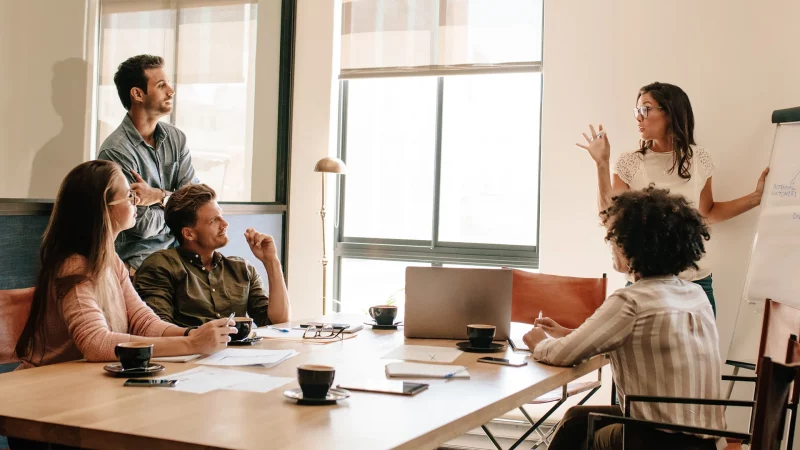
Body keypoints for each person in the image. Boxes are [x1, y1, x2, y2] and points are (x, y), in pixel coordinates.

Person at [523, 187, 724, 450]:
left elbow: (564, 356)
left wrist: (538, 342)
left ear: (633, 247)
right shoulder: (694, 294)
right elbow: (645, 344)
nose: (611, 244)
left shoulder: (632, 300)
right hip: (704, 439)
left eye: (615, 238)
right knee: (575, 419)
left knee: (579, 435)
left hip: (657, 441)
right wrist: (566, 332)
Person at [14, 160, 234, 371]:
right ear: (104, 209)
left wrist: (192, 334)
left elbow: (144, 323)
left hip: (82, 381)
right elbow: (96, 343)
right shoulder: (74, 267)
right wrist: (192, 344)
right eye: (129, 195)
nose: (136, 201)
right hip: (46, 385)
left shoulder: (110, 260)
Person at [576, 81, 769, 315]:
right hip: (646, 283)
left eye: (645, 109)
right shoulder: (630, 163)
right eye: (636, 110)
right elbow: (611, 220)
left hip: (695, 283)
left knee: (701, 352)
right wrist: (602, 164)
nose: (638, 117)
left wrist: (756, 198)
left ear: (670, 112)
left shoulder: (700, 159)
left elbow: (706, 213)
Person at [134, 184, 291, 329]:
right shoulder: (160, 266)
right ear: (189, 233)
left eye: (221, 215)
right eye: (213, 220)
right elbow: (157, 329)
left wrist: (271, 262)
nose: (225, 223)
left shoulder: (241, 269)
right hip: (187, 356)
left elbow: (278, 323)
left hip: (238, 357)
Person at [97, 54, 198, 273]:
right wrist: (179, 210)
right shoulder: (116, 151)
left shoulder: (176, 138)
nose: (171, 91)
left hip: (181, 257)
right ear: (137, 94)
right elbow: (140, 226)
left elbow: (198, 203)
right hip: (139, 266)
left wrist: (159, 196)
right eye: (161, 85)